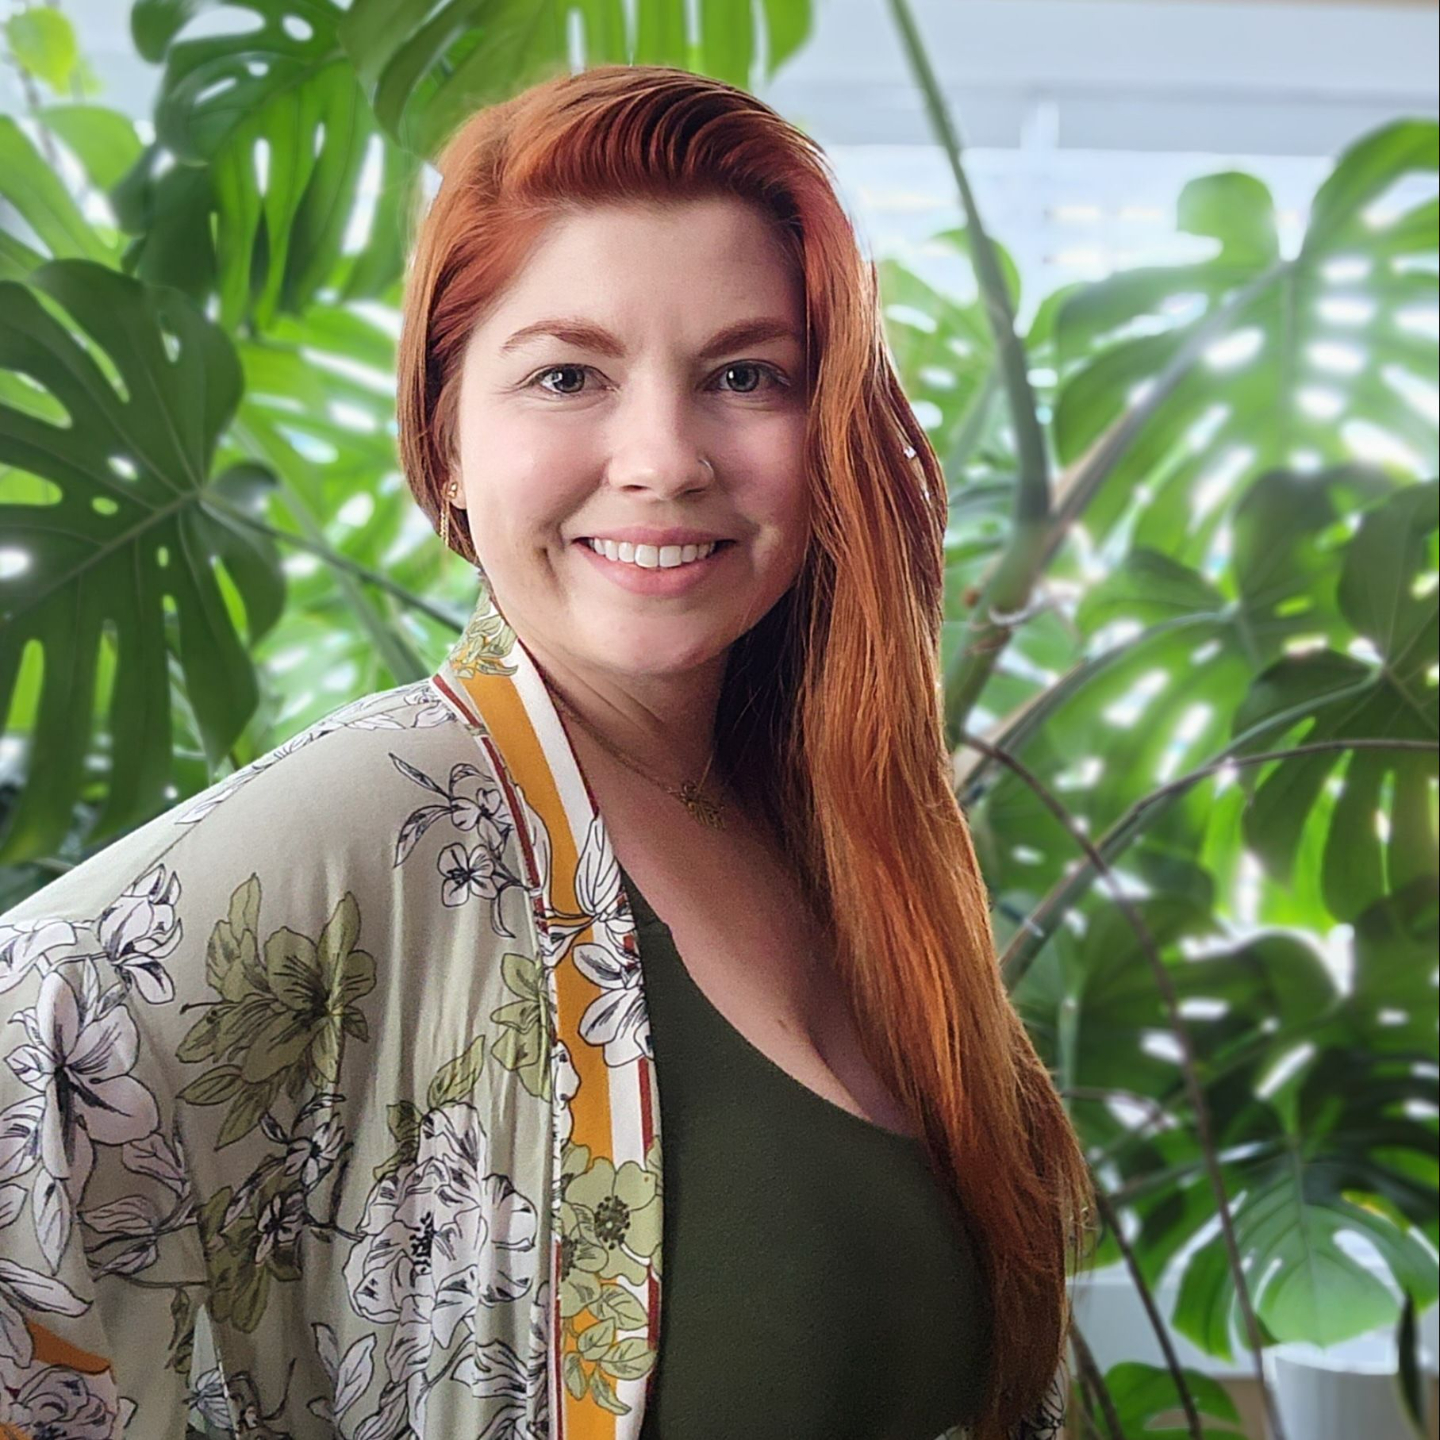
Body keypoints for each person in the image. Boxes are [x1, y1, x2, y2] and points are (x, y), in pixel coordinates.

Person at [0, 64, 1089, 1440]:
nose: (665, 459)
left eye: (745, 375)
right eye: (568, 375)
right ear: (447, 440)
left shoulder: (827, 825)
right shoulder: (387, 818)